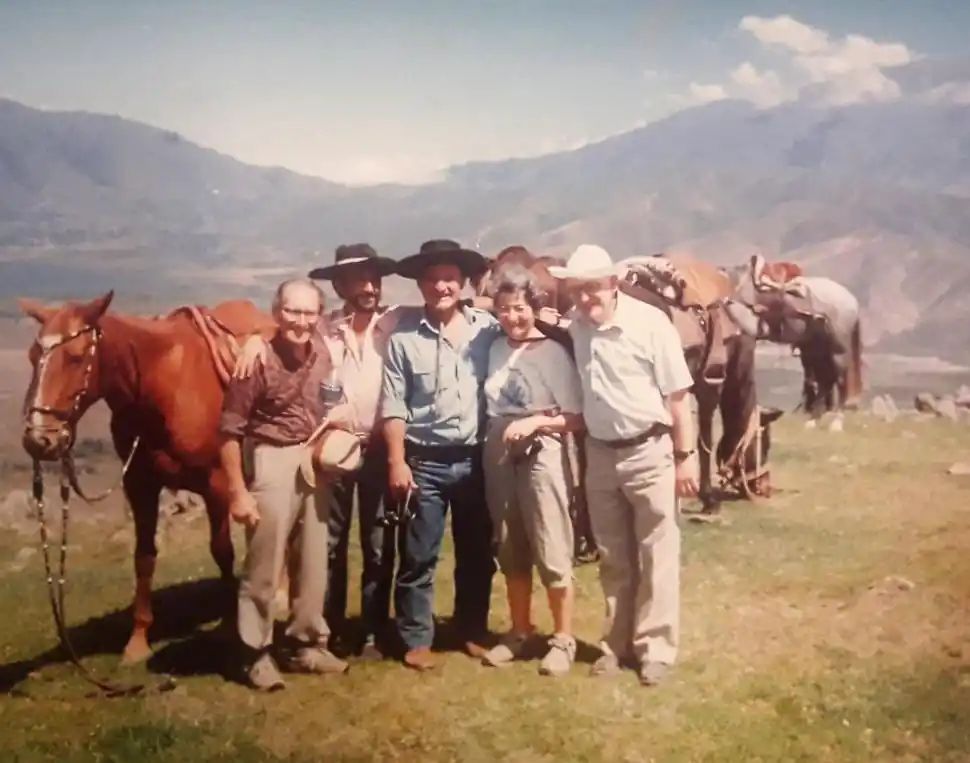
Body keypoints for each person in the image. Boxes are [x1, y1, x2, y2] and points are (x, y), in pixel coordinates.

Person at [234, 243, 402, 660]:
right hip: (331, 449)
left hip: (379, 446)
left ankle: (373, 629)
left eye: (373, 279)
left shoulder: (399, 322)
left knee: (378, 542)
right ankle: (327, 629)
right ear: (340, 286)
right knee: (327, 541)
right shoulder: (323, 328)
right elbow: (285, 328)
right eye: (357, 280)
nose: (368, 287)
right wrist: (255, 339)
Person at [548, 244, 699, 687]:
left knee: (657, 553)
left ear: (613, 284)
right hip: (600, 454)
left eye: (593, 287)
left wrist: (685, 458)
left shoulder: (650, 324)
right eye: (578, 289)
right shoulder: (577, 326)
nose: (585, 297)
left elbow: (678, 398)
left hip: (649, 451)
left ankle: (656, 650)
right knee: (613, 556)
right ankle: (616, 645)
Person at [219, 278, 354, 691]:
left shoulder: (322, 352)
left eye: (309, 312)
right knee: (264, 563)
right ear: (277, 313)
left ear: (319, 315)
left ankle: (305, 645)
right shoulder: (256, 361)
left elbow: (330, 399)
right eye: (292, 311)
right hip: (272, 459)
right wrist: (238, 491)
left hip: (314, 459)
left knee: (313, 560)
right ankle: (254, 653)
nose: (300, 321)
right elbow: (228, 432)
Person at [379, 238, 500, 671]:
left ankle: (472, 630)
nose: (441, 286)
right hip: (424, 461)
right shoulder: (402, 339)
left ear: (463, 282)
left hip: (476, 459)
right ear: (420, 284)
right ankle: (416, 638)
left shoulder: (488, 330)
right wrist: (396, 461)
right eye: (432, 279)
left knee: (477, 553)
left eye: (450, 278)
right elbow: (394, 406)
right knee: (419, 554)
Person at [478, 265, 585, 676]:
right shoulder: (494, 348)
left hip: (543, 449)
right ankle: (520, 631)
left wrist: (537, 422)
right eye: (504, 309)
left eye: (520, 308)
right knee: (510, 543)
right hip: (499, 448)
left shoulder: (553, 352)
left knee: (551, 541)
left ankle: (563, 639)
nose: (512, 317)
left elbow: (576, 417)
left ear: (535, 307)